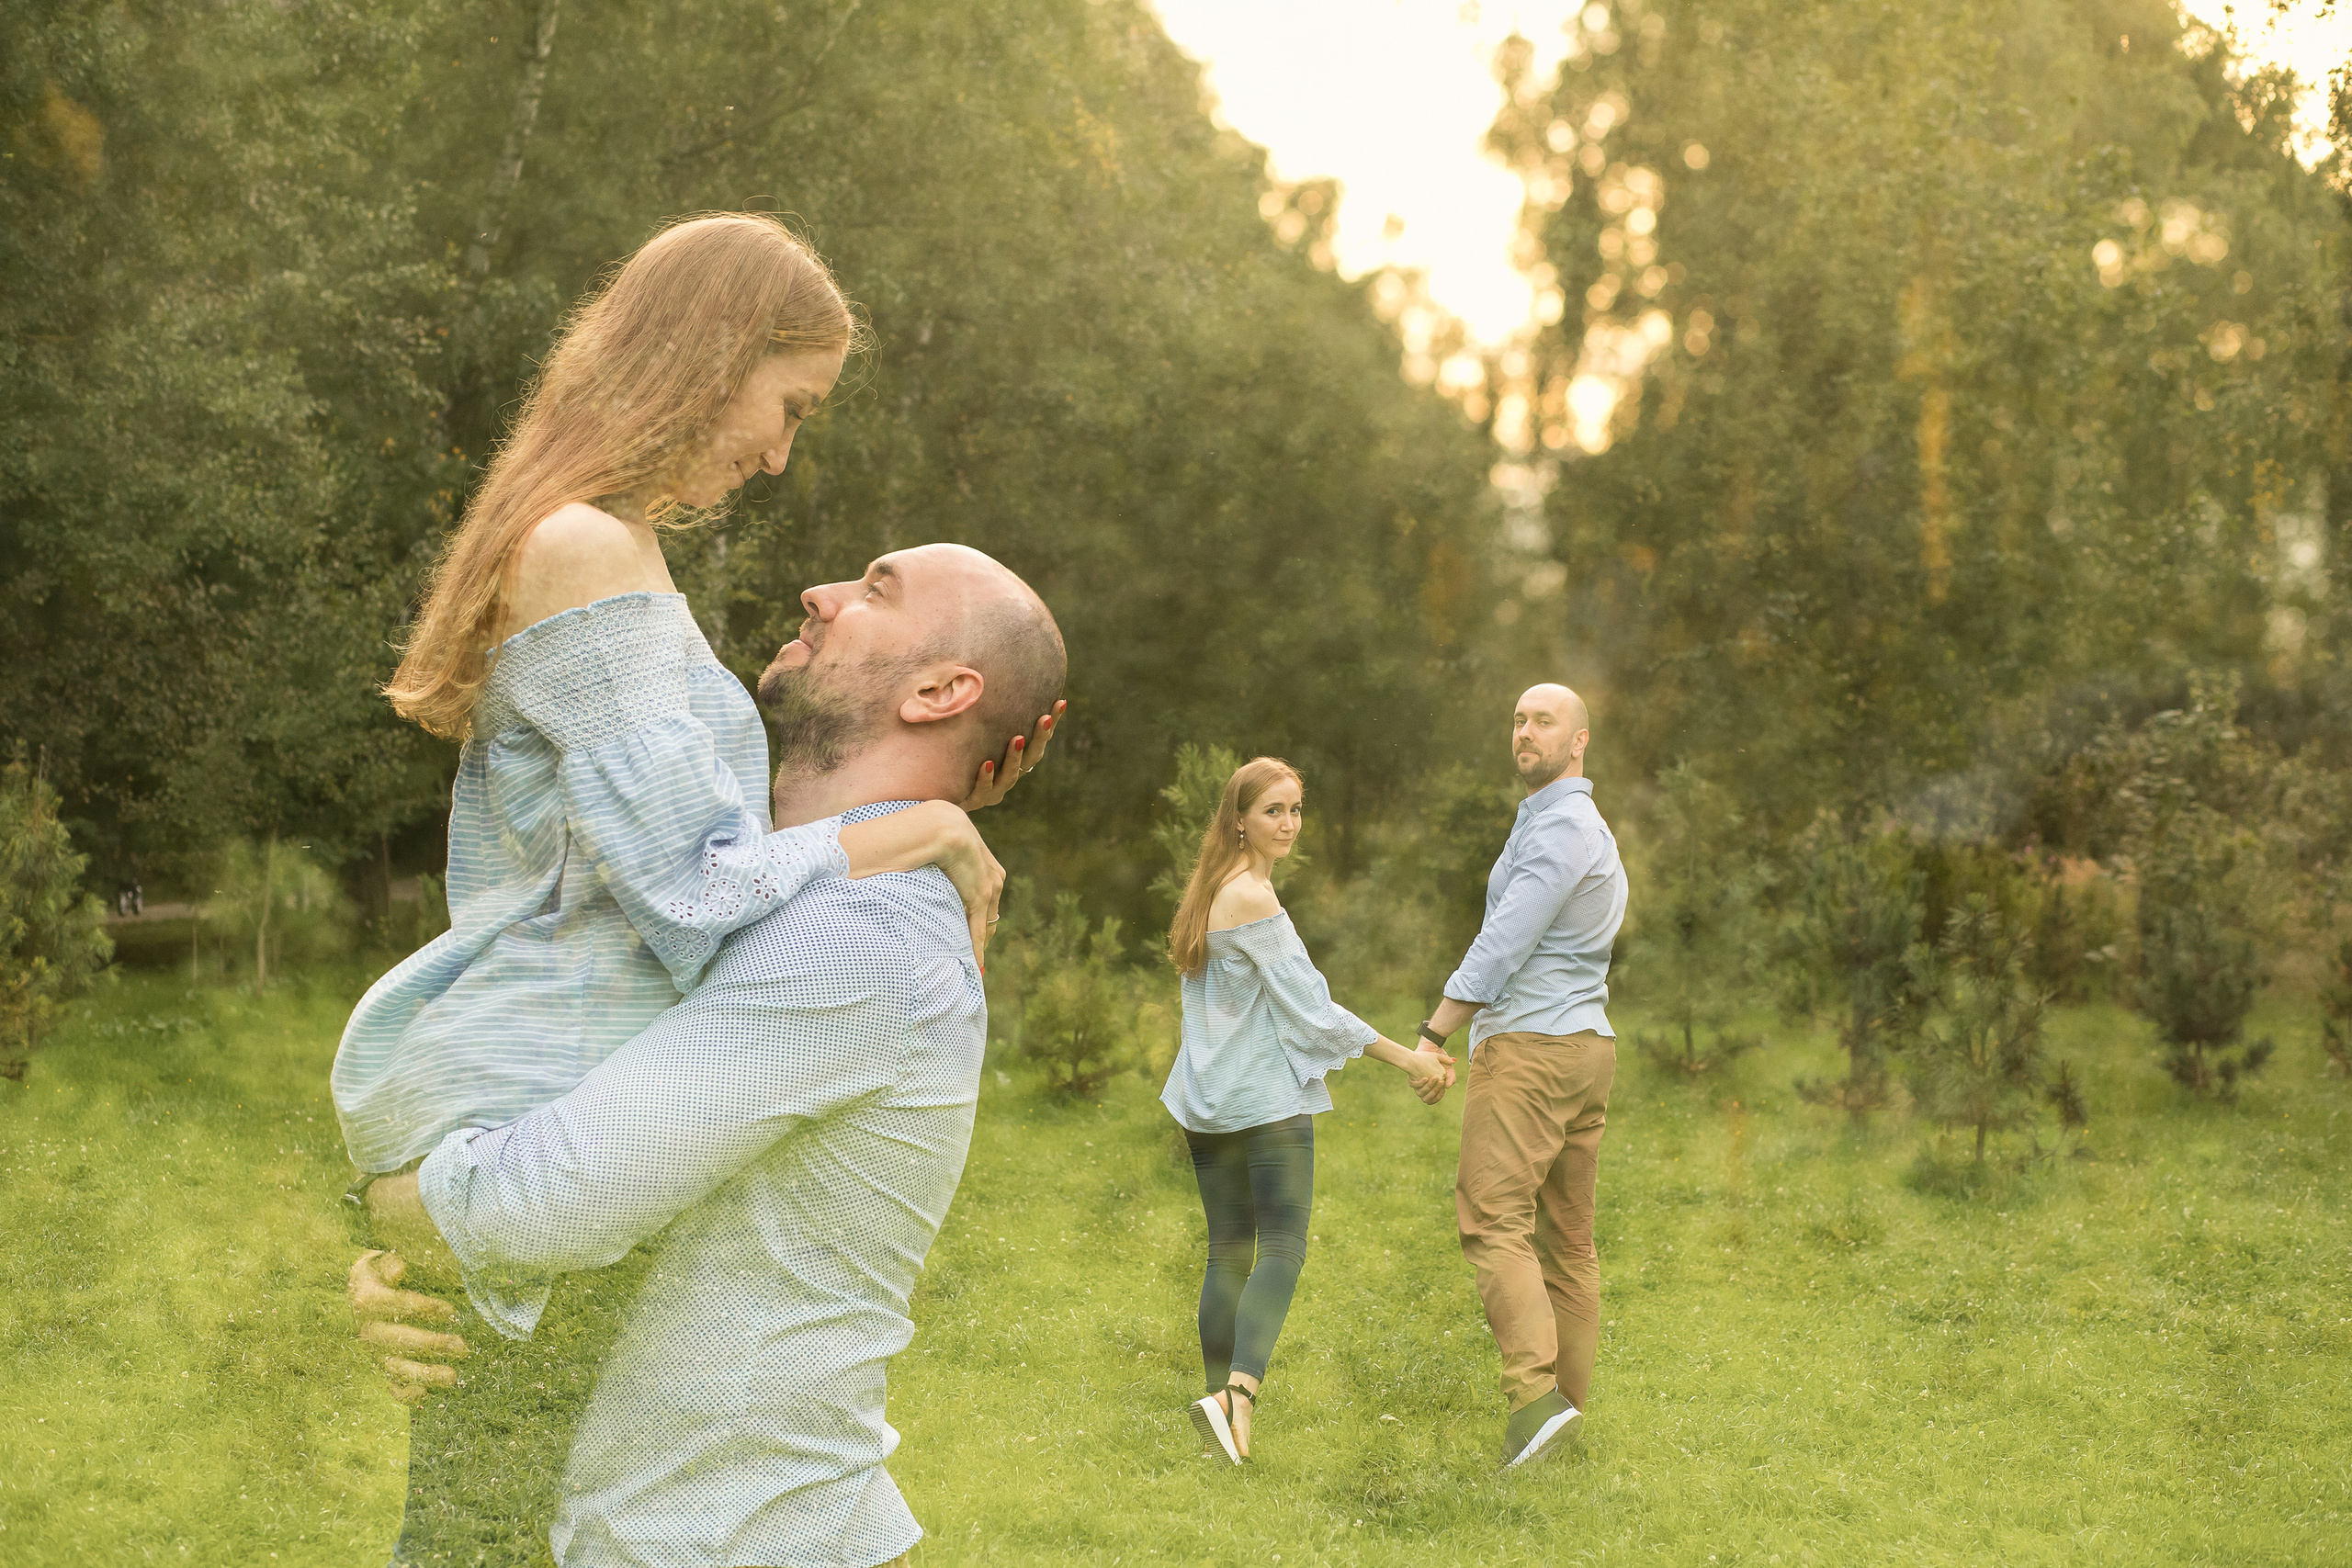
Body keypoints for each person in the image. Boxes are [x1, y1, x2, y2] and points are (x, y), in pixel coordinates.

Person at [333, 214, 1058, 1563]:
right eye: (790, 405)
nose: (781, 461)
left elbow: (557, 1187)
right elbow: (680, 894)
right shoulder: (591, 555)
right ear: (713, 354)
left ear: (941, 689)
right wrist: (917, 824)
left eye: (874, 587)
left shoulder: (858, 939)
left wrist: (400, 1217)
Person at [1159, 756, 1455, 1464]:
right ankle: (1239, 1396)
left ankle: (1217, 1413)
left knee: (1228, 1249)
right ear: (1239, 820)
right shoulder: (1252, 897)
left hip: (1207, 1100)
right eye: (1273, 810)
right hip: (1261, 1101)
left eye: (1295, 808)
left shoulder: (1211, 890)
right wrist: (1410, 1058)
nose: (1289, 823)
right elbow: (1315, 1012)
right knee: (1282, 1248)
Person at [1417, 682, 1627, 1469]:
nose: (1525, 732)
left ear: (1579, 740)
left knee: (1492, 1219)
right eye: (1518, 719)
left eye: (1544, 721)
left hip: (1535, 1048)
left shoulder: (1563, 827)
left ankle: (1535, 1402)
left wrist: (1436, 1029)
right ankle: (1561, 1421)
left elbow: (1506, 938)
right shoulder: (1567, 823)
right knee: (1567, 1241)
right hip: (1584, 1046)